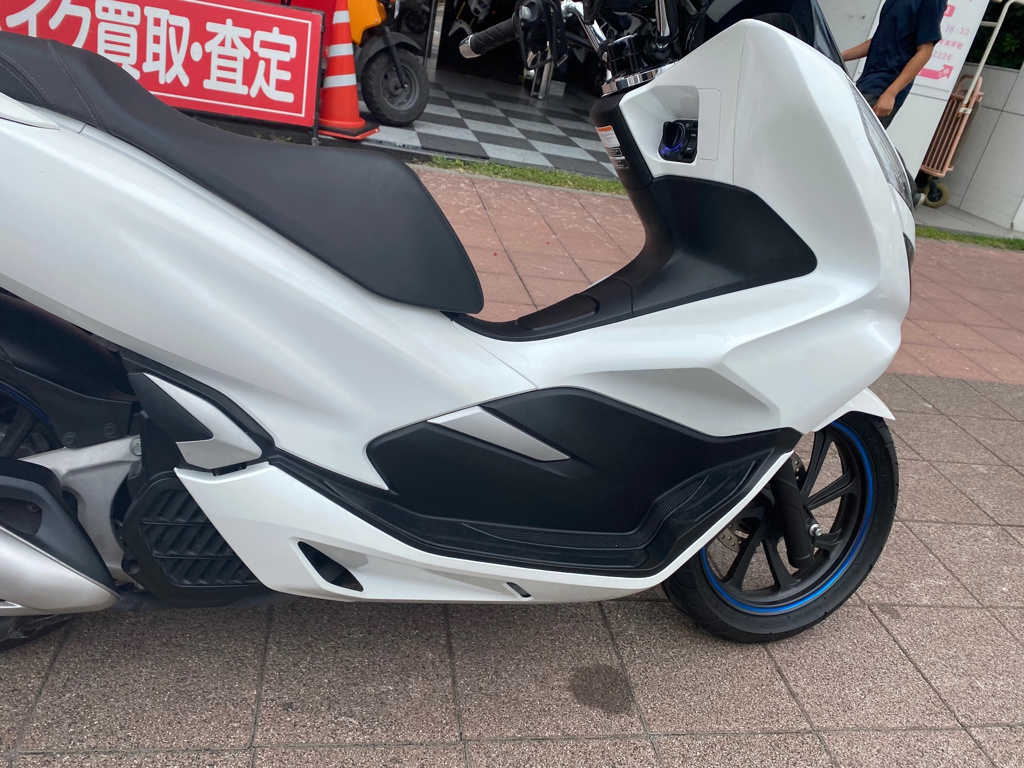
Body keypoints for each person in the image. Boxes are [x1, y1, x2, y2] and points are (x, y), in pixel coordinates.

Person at [842, 0, 947, 127]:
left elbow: (925, 51)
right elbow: (879, 39)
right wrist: (840, 56)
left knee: (851, 134)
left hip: (883, 89)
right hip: (867, 82)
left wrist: (891, 93)